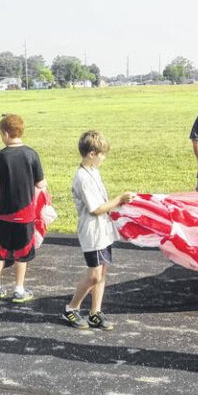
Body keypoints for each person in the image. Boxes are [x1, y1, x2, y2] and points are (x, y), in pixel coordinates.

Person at [64, 131, 135, 330]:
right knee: (94, 275)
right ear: (92, 154)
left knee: (102, 273)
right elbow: (95, 209)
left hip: (103, 231)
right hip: (92, 233)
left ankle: (95, 312)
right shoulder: (82, 177)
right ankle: (71, 308)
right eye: (102, 154)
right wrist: (119, 199)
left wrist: (119, 205)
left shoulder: (94, 171)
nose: (104, 158)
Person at [0, 113, 46, 303]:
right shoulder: (31, 154)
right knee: (22, 253)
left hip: (3, 214)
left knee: (0, 251)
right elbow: (41, 183)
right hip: (25, 214)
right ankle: (19, 289)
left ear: (5, 133)